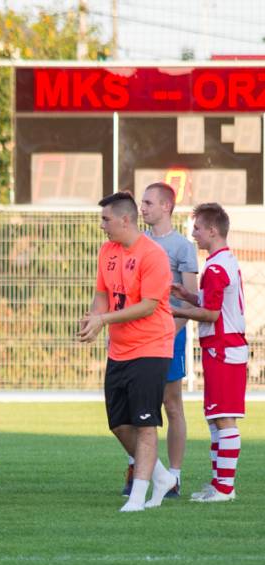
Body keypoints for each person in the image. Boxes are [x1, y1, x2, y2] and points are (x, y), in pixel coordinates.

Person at [78, 191, 177, 512]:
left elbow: (148, 306)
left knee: (145, 424)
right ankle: (162, 477)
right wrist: (94, 319)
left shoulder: (153, 255)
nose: (102, 225)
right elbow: (102, 294)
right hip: (119, 350)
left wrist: (104, 319)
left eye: (105, 219)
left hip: (152, 347)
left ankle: (137, 498)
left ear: (125, 220)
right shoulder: (106, 251)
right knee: (119, 424)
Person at [171, 203, 247, 503]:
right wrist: (189, 296)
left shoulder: (215, 268)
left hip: (223, 348)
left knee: (224, 418)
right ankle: (219, 484)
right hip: (222, 347)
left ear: (213, 230)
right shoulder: (223, 261)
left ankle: (225, 488)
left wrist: (178, 311)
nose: (194, 234)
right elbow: (214, 304)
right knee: (216, 418)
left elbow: (213, 315)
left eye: (198, 228)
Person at [137, 182, 197, 498]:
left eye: (148, 202)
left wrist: (170, 331)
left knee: (171, 404)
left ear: (166, 206)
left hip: (169, 334)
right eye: (141, 202)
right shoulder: (136, 242)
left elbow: (190, 302)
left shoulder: (182, 247)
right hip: (137, 335)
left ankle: (174, 476)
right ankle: (140, 471)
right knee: (136, 405)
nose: (142, 208)